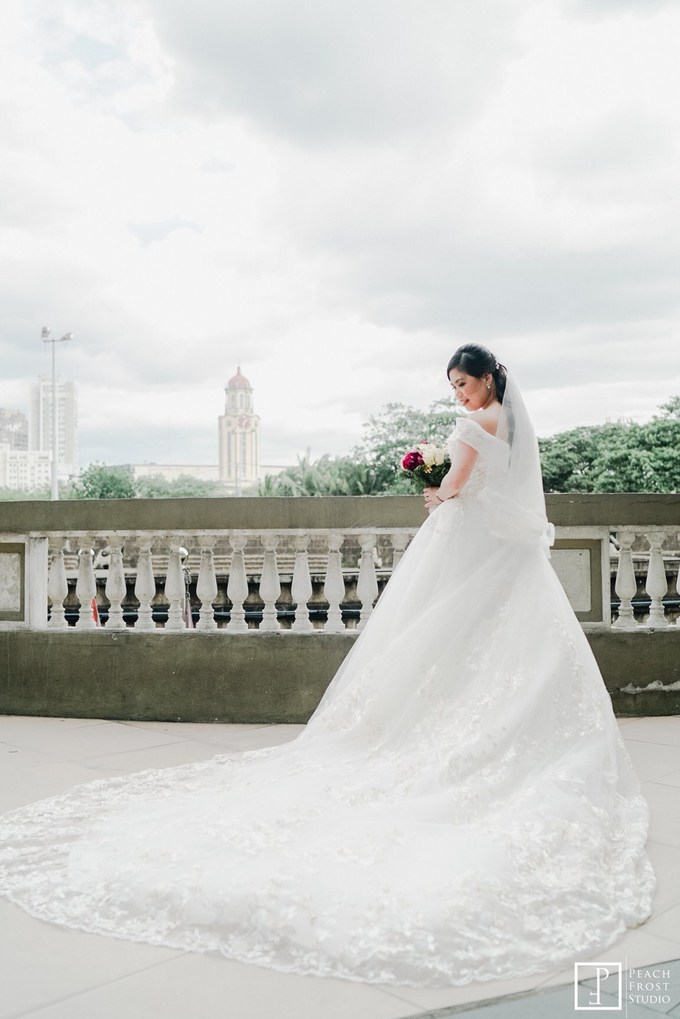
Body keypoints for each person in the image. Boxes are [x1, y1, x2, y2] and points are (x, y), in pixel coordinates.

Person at [0, 345, 656, 989]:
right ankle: (506, 731)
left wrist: (435, 489)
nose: (459, 392)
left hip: (471, 543)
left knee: (442, 639)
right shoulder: (511, 420)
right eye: (454, 385)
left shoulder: (473, 424)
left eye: (464, 382)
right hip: (511, 557)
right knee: (502, 646)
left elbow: (456, 487)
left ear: (488, 379)